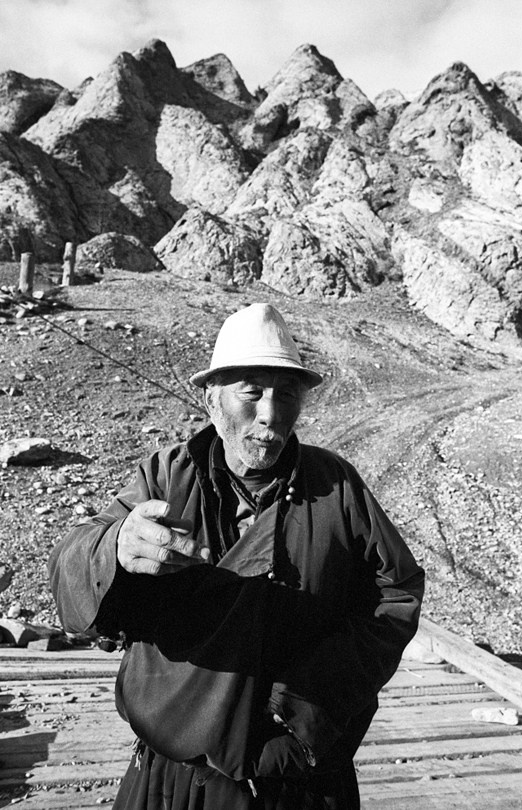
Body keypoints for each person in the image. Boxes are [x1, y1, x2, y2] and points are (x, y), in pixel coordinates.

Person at [48, 302, 424, 810]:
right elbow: (73, 561)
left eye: (287, 394)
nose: (271, 414)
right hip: (174, 774)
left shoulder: (336, 486)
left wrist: (308, 706)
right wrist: (114, 546)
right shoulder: (166, 476)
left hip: (296, 775)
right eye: (251, 392)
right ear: (211, 399)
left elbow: (395, 595)